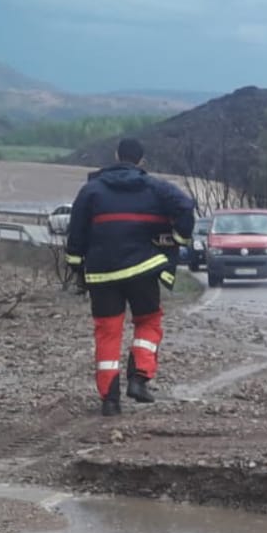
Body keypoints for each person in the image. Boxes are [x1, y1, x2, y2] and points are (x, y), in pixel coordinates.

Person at [65, 138, 196, 416]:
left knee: (108, 332)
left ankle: (109, 400)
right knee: (148, 321)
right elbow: (185, 205)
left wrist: (77, 266)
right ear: (141, 161)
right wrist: (178, 238)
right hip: (142, 270)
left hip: (102, 274)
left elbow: (75, 232)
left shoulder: (91, 190)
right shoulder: (155, 187)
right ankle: (139, 378)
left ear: (115, 156)